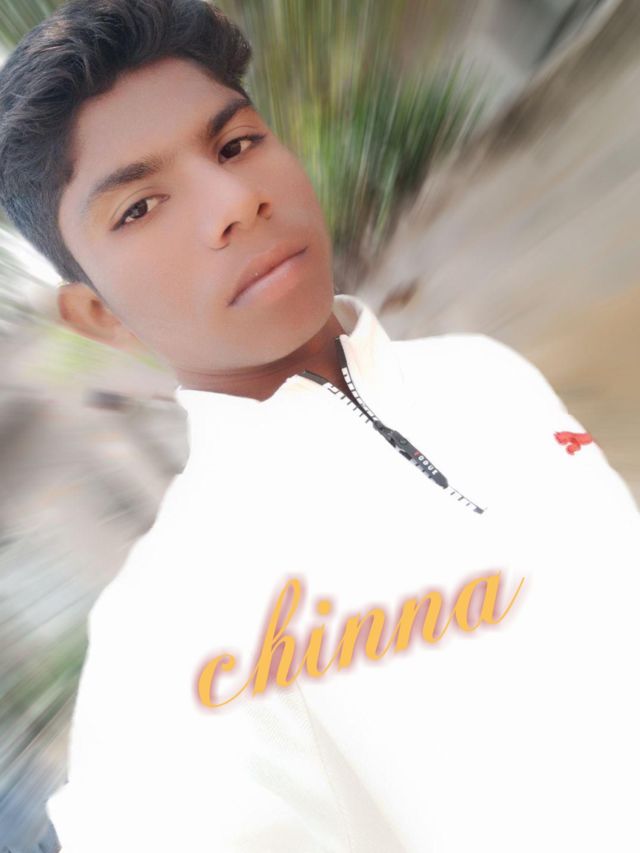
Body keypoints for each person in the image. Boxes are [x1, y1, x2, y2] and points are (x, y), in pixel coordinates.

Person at [0, 1, 638, 851]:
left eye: (235, 145)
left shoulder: (481, 373)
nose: (234, 201)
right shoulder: (167, 630)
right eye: (141, 207)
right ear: (98, 315)